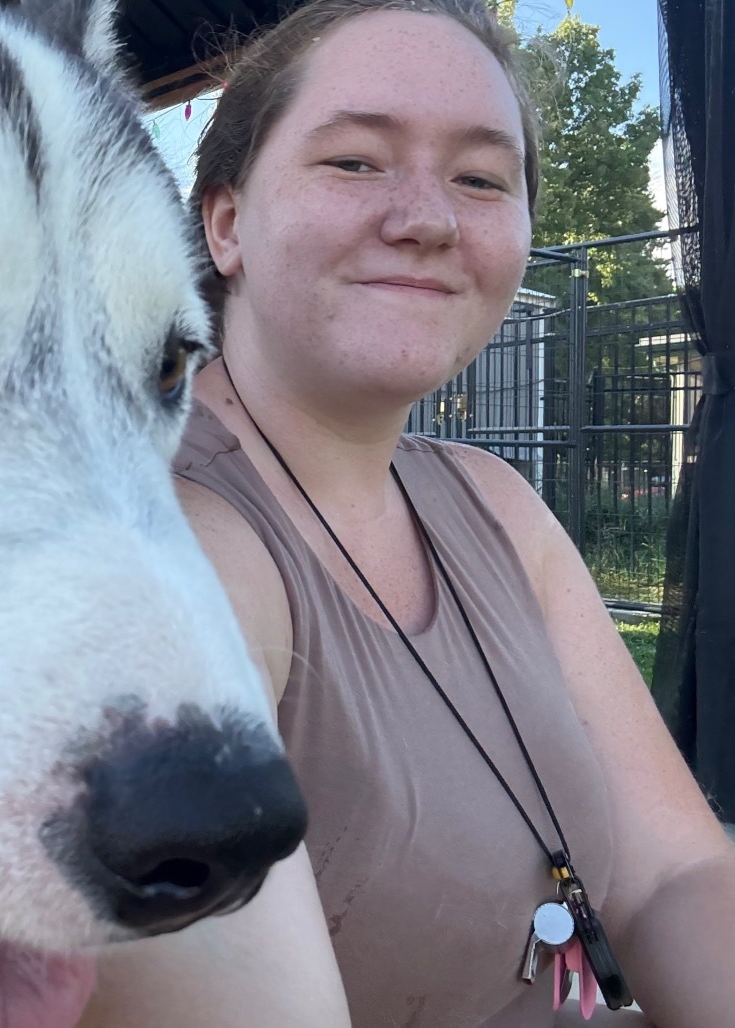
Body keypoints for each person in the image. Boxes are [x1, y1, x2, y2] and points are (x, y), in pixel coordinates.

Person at [79, 1, 735, 1025]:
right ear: (225, 223)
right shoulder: (158, 545)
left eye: (480, 179)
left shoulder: (491, 499)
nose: (429, 218)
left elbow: (673, 874)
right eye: (355, 161)